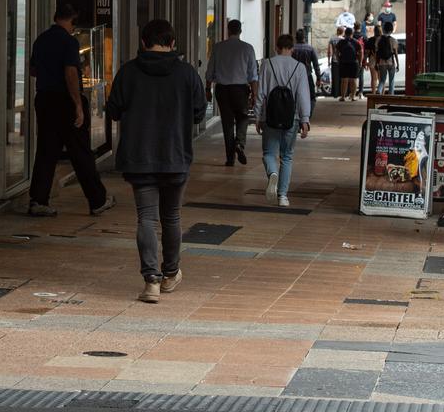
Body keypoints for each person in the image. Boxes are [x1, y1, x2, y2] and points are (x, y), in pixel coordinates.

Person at [107, 20, 205, 304]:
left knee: (146, 218)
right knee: (171, 216)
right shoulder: (187, 74)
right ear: (173, 43)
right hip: (175, 156)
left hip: (139, 157)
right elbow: (199, 113)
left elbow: (113, 110)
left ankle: (151, 281)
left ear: (143, 42)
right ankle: (170, 273)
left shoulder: (128, 72)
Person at [28, 4, 115, 217]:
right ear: (72, 20)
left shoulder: (41, 39)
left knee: (46, 151)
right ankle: (98, 200)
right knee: (80, 152)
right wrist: (77, 104)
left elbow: (32, 70)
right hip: (64, 101)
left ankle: (38, 200)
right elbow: (70, 74)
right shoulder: (68, 42)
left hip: (44, 99)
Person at [254, 33, 311, 208]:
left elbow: (261, 93)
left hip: (270, 117)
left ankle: (272, 173)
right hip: (291, 118)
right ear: (292, 49)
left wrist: (257, 116)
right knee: (287, 156)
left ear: (276, 48)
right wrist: (305, 119)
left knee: (269, 153)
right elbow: (302, 95)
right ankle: (283, 196)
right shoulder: (299, 67)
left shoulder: (267, 64)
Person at [205, 19, 258, 167]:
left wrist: (207, 89)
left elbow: (210, 71)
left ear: (228, 30)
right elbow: (253, 75)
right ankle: (240, 144)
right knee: (243, 117)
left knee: (227, 123)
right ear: (240, 31)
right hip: (240, 90)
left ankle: (230, 159)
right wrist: (254, 94)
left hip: (222, 89)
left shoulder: (218, 47)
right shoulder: (248, 48)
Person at [291, 29, 321, 117]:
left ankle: (295, 116)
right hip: (307, 76)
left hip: (294, 76)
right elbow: (316, 65)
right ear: (305, 37)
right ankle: (307, 115)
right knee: (311, 97)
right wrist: (318, 78)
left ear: (296, 38)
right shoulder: (310, 49)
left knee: (294, 96)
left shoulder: (292, 49)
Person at [337, 27, 362, 101]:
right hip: (354, 63)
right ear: (352, 33)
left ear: (345, 33)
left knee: (344, 80)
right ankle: (353, 96)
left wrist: (339, 59)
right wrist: (360, 62)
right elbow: (360, 52)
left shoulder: (341, 42)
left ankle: (343, 97)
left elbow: (336, 52)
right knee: (353, 80)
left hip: (343, 62)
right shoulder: (356, 42)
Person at [375, 21, 400, 94]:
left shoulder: (378, 40)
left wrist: (376, 63)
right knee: (391, 80)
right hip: (391, 62)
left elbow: (377, 53)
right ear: (391, 30)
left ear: (383, 29)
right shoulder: (394, 40)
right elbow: (395, 53)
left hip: (381, 63)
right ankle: (390, 96)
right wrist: (398, 64)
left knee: (382, 80)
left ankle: (379, 91)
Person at [326, 27, 345, 98]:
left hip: (334, 60)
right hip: (342, 61)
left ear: (337, 31)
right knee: (342, 77)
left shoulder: (332, 39)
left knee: (335, 77)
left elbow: (329, 51)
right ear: (343, 32)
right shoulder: (344, 40)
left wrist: (328, 60)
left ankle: (335, 93)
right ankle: (342, 93)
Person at [365, 24, 382, 95]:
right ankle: (382, 94)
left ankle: (373, 93)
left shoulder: (370, 40)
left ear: (374, 31)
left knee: (373, 78)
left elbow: (367, 52)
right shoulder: (383, 39)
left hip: (372, 59)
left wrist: (365, 61)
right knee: (381, 79)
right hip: (381, 60)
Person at [352, 21, 366, 100]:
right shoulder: (363, 36)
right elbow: (366, 48)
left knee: (353, 76)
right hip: (362, 58)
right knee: (361, 76)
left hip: (353, 58)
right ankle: (360, 93)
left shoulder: (352, 36)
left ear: (354, 27)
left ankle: (352, 93)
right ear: (360, 27)